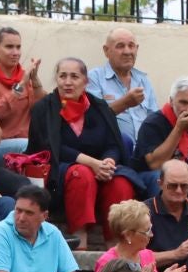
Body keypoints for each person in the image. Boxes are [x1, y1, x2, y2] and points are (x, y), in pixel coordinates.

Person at [27, 58, 139, 244]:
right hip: (59, 172)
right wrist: (92, 163)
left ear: (85, 81)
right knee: (82, 174)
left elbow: (113, 144)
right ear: (56, 79)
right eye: (62, 76)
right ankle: (80, 241)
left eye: (74, 77)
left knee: (120, 182)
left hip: (100, 169)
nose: (68, 82)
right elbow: (49, 147)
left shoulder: (99, 107)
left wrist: (108, 161)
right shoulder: (44, 108)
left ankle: (117, 244)